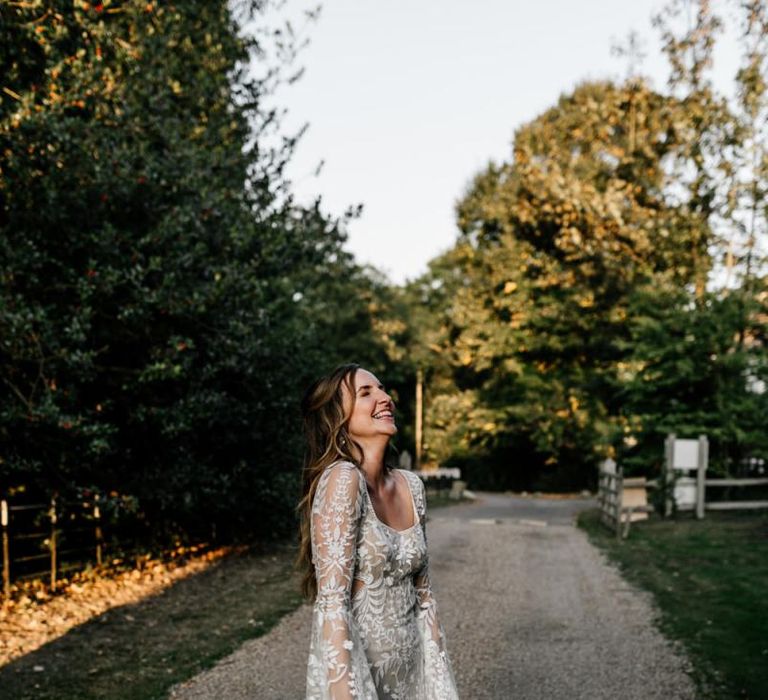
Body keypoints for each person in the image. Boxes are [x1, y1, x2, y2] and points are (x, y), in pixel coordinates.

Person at [297, 363, 459, 700]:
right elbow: (332, 604)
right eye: (365, 393)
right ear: (337, 419)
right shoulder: (343, 479)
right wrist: (346, 692)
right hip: (361, 674)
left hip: (412, 673)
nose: (384, 398)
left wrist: (440, 686)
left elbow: (425, 598)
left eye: (382, 389)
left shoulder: (411, 486)